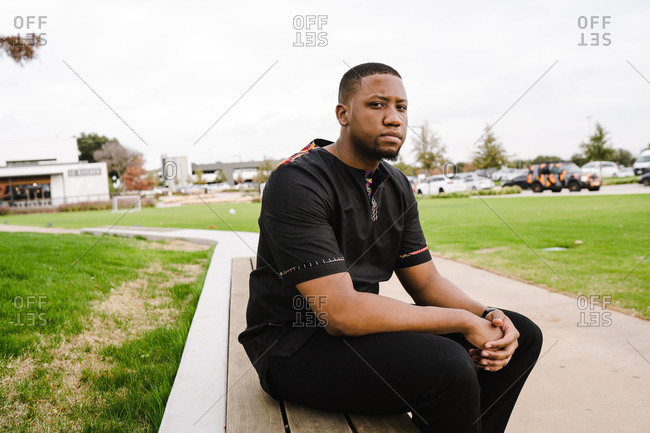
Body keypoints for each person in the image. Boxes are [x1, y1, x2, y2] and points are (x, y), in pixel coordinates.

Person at [239, 62, 543, 433]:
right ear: (343, 114)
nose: (394, 118)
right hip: (292, 344)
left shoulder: (395, 183)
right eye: (377, 105)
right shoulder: (299, 180)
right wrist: (464, 321)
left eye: (401, 107)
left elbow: (427, 283)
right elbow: (340, 313)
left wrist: (488, 314)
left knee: (519, 335)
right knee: (448, 364)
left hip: (360, 337)